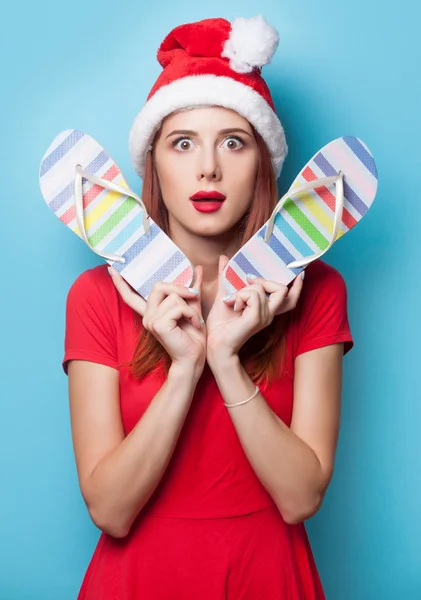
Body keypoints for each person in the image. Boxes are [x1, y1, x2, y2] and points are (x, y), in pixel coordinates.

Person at [63, 15, 354, 600]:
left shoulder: (317, 290)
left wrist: (225, 357)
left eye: (233, 141)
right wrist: (185, 365)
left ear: (262, 164)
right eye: (183, 143)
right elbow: (111, 510)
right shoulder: (95, 296)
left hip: (267, 575)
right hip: (138, 578)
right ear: (154, 165)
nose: (208, 169)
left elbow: (300, 499)